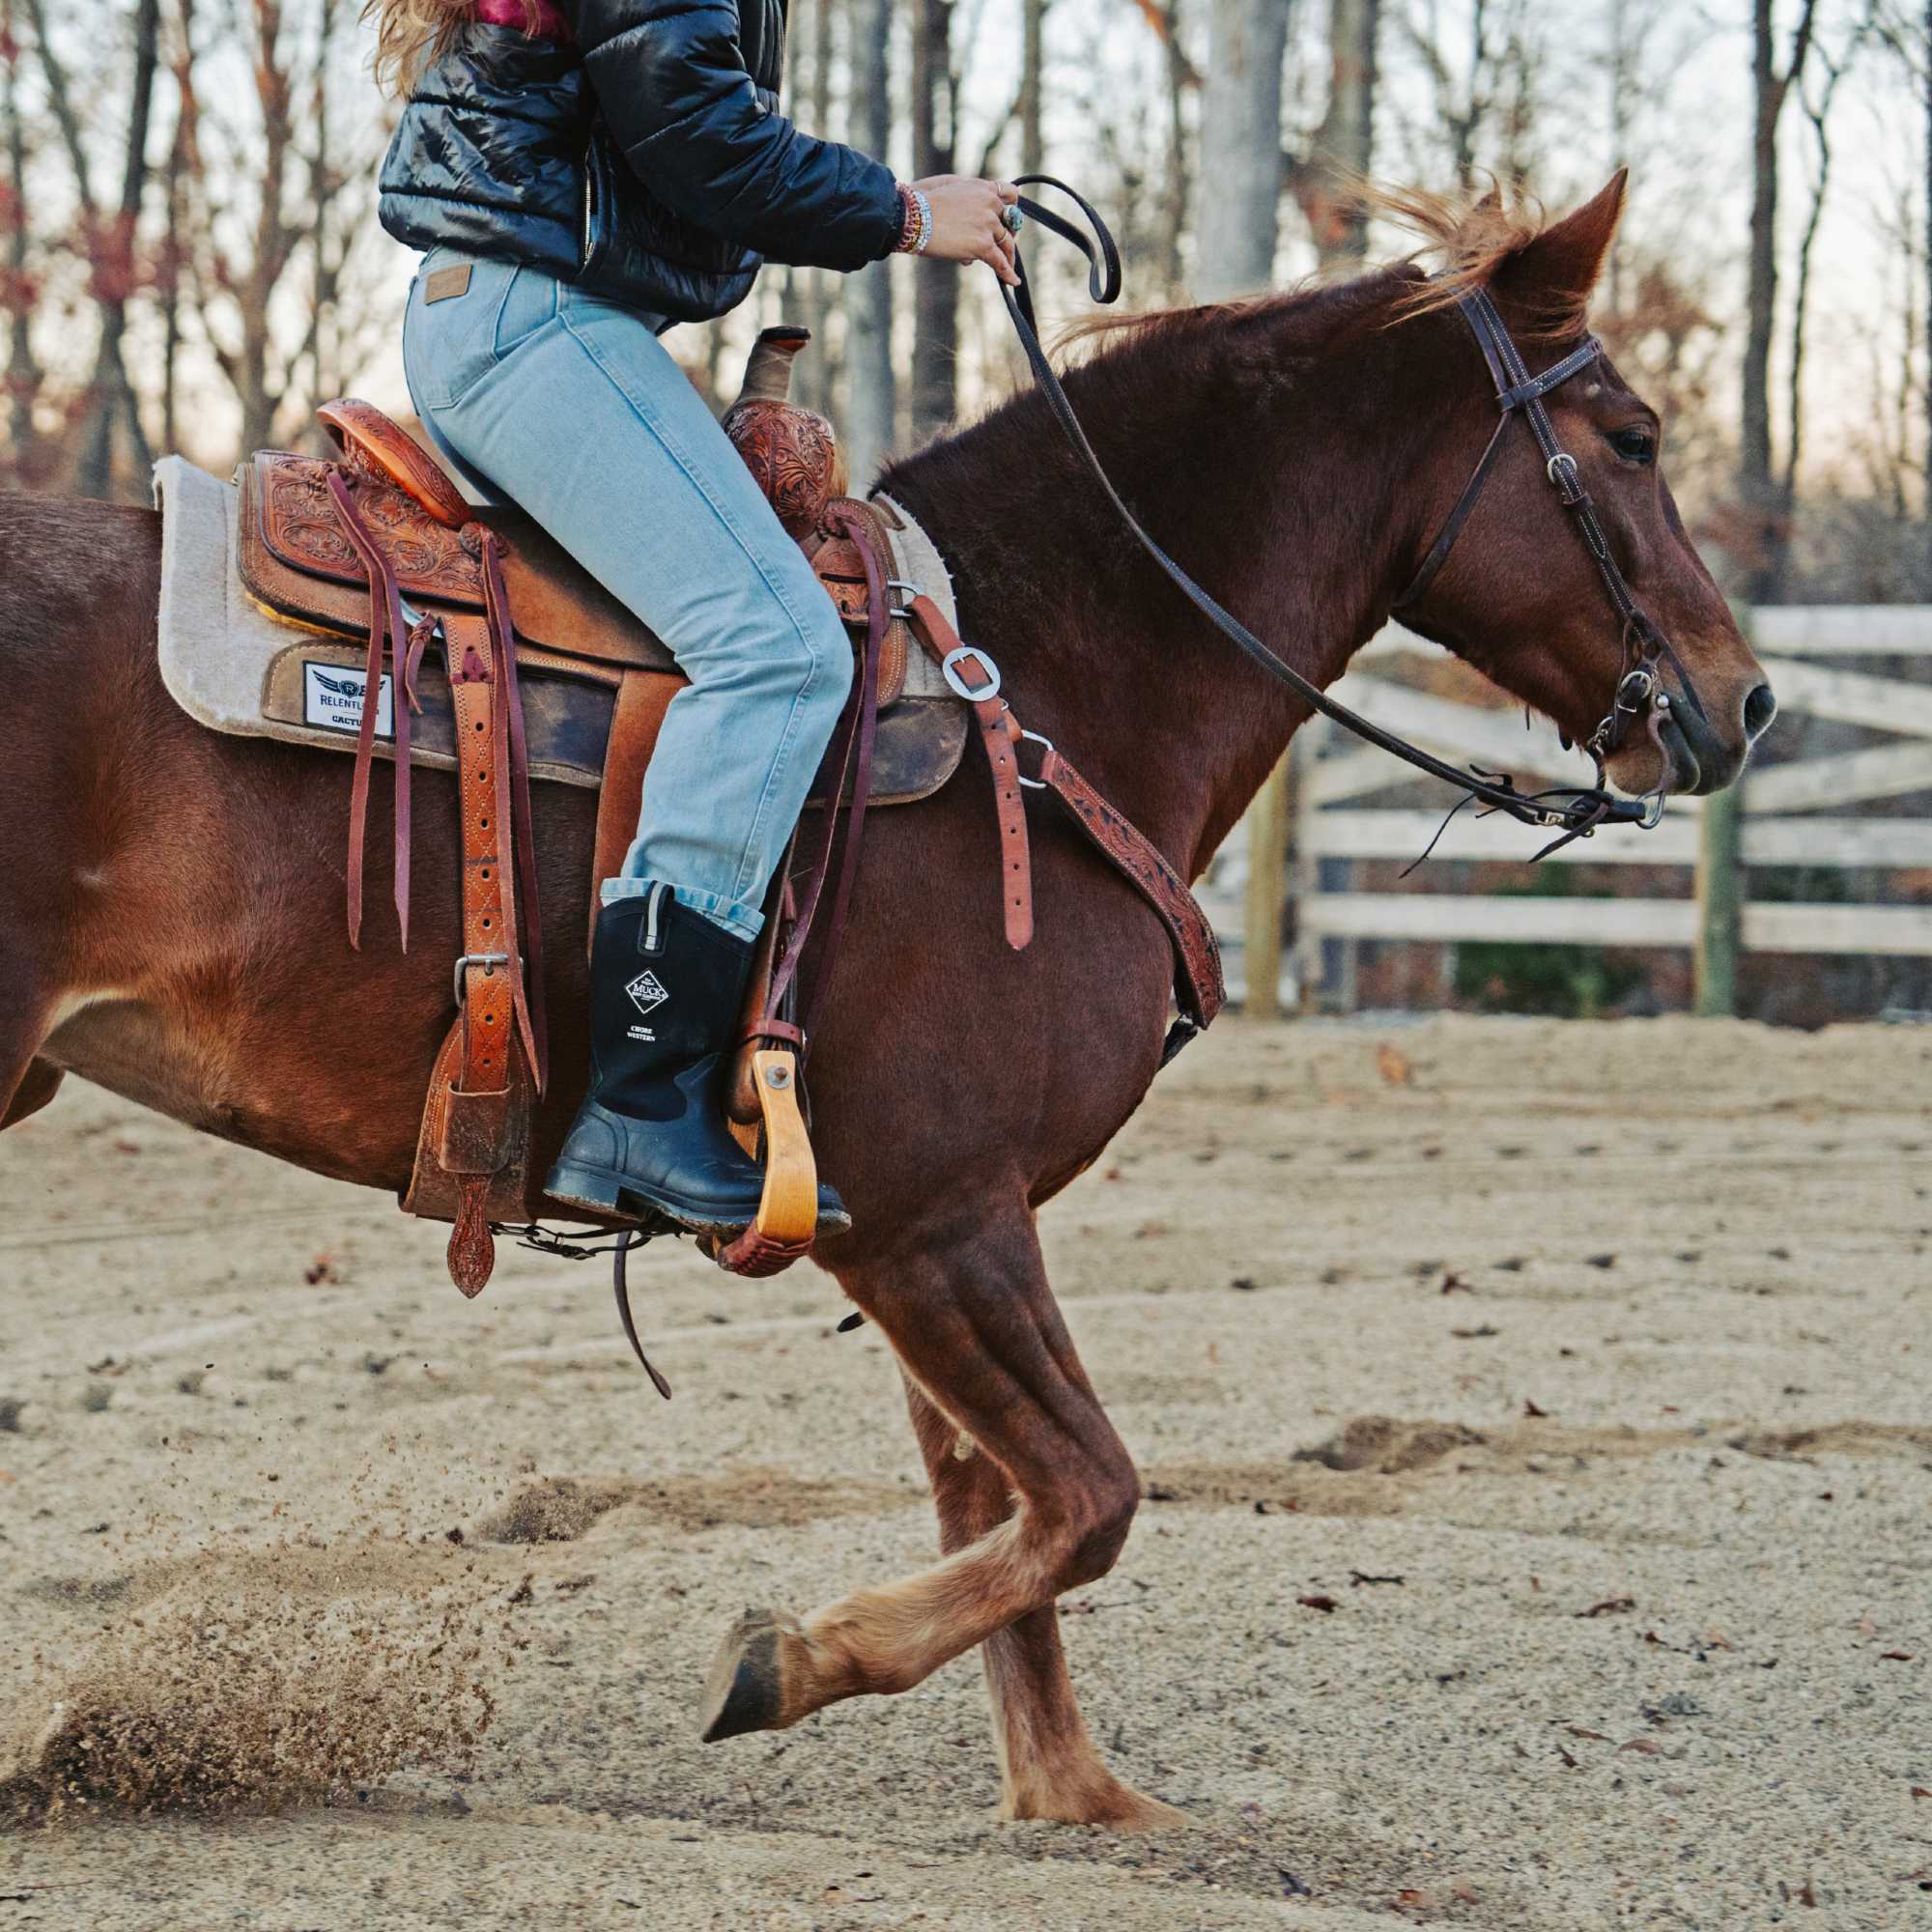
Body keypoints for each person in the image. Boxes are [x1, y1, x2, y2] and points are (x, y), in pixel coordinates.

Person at [369, 0, 1021, 1239]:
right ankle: (644, 1098)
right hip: (539, 324)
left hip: (525, 311)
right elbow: (694, 129)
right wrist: (904, 212)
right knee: (777, 646)